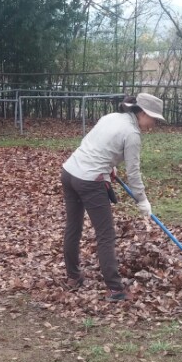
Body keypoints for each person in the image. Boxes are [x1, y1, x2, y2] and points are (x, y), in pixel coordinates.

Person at [60, 92, 165, 301]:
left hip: (70, 172)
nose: (154, 124)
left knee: (73, 227)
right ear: (142, 113)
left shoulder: (110, 117)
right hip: (90, 180)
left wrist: (109, 166)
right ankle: (115, 289)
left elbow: (92, 144)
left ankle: (73, 277)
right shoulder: (132, 134)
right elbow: (134, 173)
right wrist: (142, 200)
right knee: (106, 234)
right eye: (153, 118)